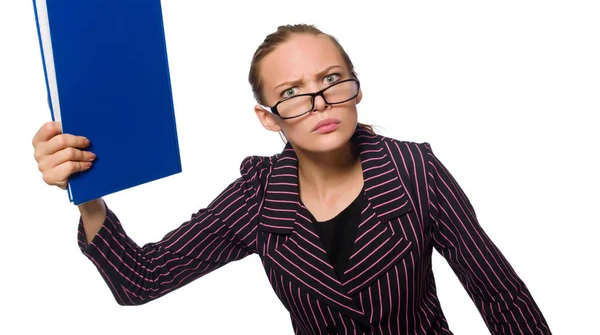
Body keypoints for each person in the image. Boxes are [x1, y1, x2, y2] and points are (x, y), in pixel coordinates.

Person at [31, 24, 552, 335]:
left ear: (356, 88)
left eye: (331, 80)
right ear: (268, 117)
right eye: (293, 92)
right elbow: (139, 281)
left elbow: (502, 297)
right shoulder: (258, 196)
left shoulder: (416, 171)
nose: (319, 101)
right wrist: (87, 194)